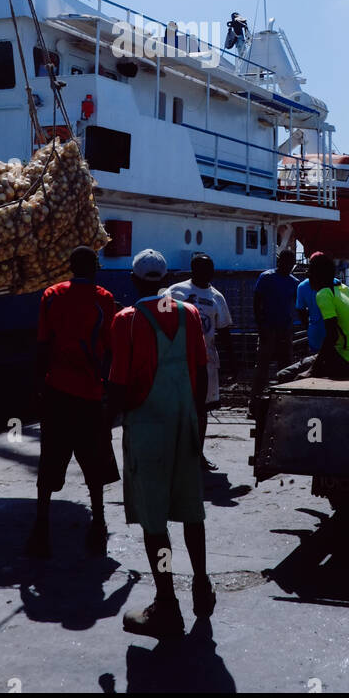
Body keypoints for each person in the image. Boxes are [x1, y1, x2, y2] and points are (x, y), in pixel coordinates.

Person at [109, 248, 214, 639]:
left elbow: (118, 385)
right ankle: (202, 585)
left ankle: (167, 603)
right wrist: (198, 424)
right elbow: (201, 373)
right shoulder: (188, 314)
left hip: (147, 429)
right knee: (192, 511)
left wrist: (107, 423)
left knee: (155, 523)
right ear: (166, 278)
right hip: (184, 422)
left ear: (135, 281)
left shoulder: (127, 320)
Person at [25, 246, 119, 558]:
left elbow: (41, 344)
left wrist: (39, 388)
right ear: (95, 267)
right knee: (94, 463)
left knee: (50, 459)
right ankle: (99, 523)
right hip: (90, 395)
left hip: (56, 393)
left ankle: (40, 527)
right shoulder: (104, 299)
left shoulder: (51, 295)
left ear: (69, 266)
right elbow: (109, 349)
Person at [163, 252, 233, 471]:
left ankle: (197, 454)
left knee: (201, 411)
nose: (208, 273)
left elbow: (223, 332)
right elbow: (160, 320)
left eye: (210, 268)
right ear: (193, 270)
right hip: (177, 360)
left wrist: (233, 361)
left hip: (207, 361)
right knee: (176, 409)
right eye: (203, 269)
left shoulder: (217, 297)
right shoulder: (174, 291)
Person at [306, 252, 349, 378]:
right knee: (308, 362)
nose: (308, 276)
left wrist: (312, 370)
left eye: (310, 273)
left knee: (286, 374)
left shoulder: (324, 294)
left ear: (318, 275)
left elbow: (332, 336)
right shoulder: (344, 289)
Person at [250, 248, 299, 406]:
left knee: (286, 366)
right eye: (286, 262)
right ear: (280, 262)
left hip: (285, 329)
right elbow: (257, 303)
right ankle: (255, 402)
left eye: (291, 263)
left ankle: (283, 401)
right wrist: (261, 326)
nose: (289, 266)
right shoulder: (266, 277)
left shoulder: (294, 282)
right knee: (262, 367)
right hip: (268, 328)